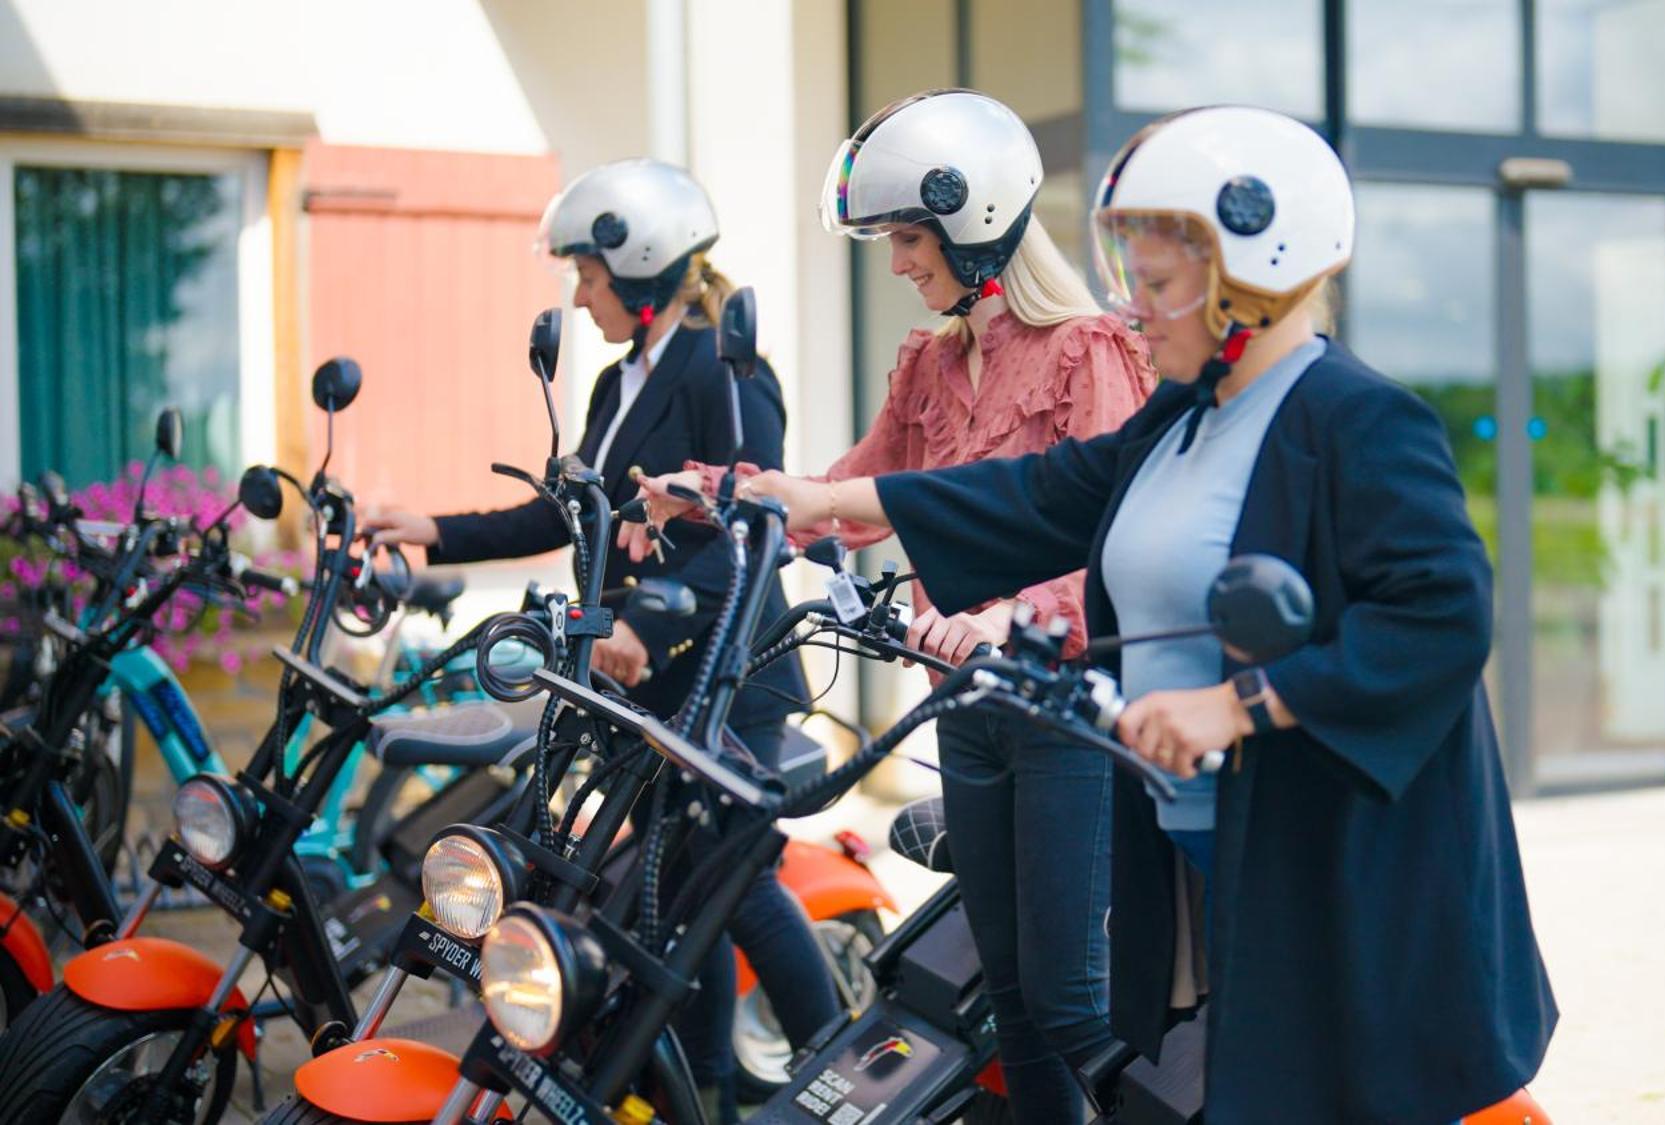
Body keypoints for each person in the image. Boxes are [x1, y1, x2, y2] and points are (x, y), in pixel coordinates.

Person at [635, 107, 1557, 1123]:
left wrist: (1239, 703)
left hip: (1323, 849)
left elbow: (1441, 616)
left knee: (1292, 1082)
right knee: (1141, 1049)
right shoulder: (1182, 415)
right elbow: (1041, 493)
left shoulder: (1356, 419)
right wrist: (812, 501)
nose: (1131, 308)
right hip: (1194, 838)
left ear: (1252, 278)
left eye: (1154, 286)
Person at [625, 90, 1156, 1123]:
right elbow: (850, 495)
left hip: (1062, 715)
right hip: (960, 707)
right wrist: (713, 494)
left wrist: (1008, 616)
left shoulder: (1085, 351)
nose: (899, 260)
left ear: (976, 222)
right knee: (1007, 999)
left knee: (1071, 1001)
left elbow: (1111, 531)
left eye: (909, 238)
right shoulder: (931, 361)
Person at [364, 158, 836, 1119]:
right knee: (664, 892)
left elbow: (755, 532)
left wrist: (645, 616)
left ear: (644, 264)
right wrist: (439, 533)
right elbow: (568, 513)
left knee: (733, 883)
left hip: (725, 672)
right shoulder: (625, 379)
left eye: (587, 276)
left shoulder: (720, 371)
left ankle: (833, 1070)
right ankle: (698, 1094)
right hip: (642, 676)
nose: (579, 299)